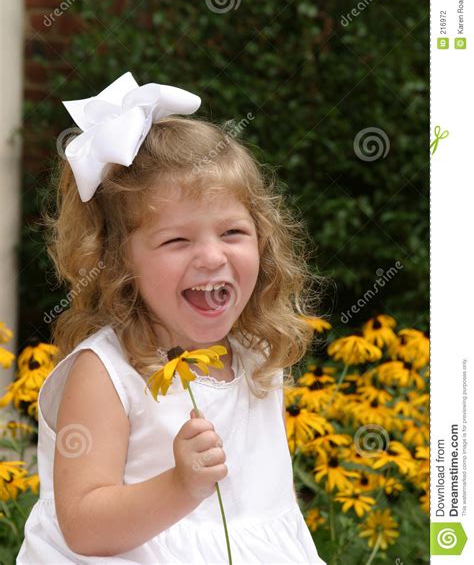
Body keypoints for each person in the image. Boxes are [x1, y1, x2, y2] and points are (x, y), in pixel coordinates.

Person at [17, 72, 326, 564]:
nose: (211, 257)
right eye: (176, 241)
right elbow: (82, 524)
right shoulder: (106, 374)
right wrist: (179, 487)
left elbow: (261, 507)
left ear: (263, 239)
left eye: (232, 232)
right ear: (118, 263)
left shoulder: (254, 357)